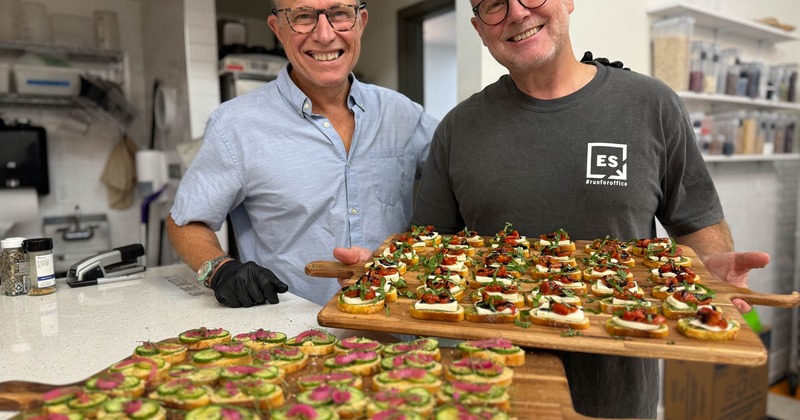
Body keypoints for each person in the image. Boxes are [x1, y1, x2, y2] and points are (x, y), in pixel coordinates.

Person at [335, 0, 770, 418]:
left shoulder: (651, 104)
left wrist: (708, 270)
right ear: (479, 28)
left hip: (616, 394)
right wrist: (378, 274)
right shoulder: (458, 127)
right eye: (493, 4)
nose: (517, 13)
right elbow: (428, 251)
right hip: (486, 386)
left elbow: (697, 221)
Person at [167, 0, 437, 308]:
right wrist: (219, 269)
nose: (324, 34)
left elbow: (461, 180)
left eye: (339, 14)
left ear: (360, 21)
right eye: (303, 16)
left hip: (396, 328)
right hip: (295, 336)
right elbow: (186, 221)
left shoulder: (402, 113)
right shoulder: (235, 125)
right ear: (277, 29)